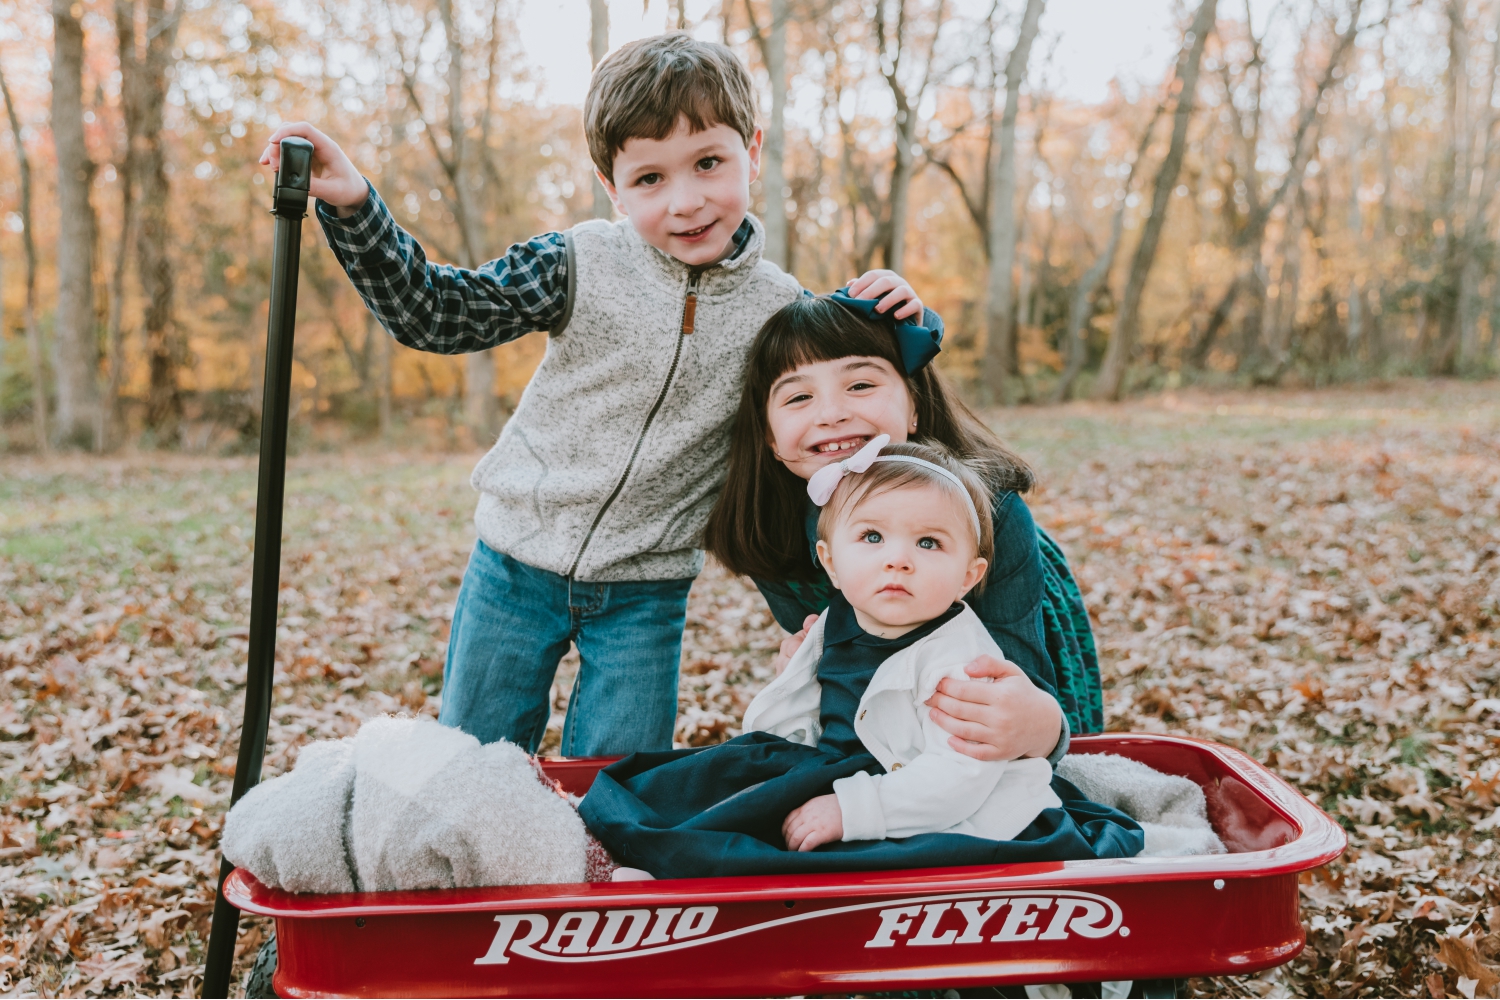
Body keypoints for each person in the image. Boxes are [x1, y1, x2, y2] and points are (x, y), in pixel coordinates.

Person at [257, 34, 944, 756]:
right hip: (515, 565)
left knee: (617, 779)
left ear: (753, 151)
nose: (686, 201)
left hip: (645, 594)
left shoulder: (781, 309)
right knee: (466, 762)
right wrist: (356, 206)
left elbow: (850, 412)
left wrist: (909, 320)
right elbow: (436, 313)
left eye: (709, 162)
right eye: (649, 179)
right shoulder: (575, 262)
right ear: (611, 185)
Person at [580, 440, 1141, 878]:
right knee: (692, 790)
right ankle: (631, 849)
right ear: (830, 560)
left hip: (924, 799)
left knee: (795, 854)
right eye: (872, 537)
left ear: (970, 576)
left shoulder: (961, 661)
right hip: (838, 764)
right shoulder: (837, 617)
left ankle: (694, 879)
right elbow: (798, 709)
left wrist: (854, 811)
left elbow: (959, 778)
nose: (897, 560)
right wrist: (781, 724)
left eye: (929, 544)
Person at [704, 294, 1107, 768]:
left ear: (913, 407)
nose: (831, 413)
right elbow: (845, 667)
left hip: (999, 611)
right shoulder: (771, 531)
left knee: (1018, 741)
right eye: (799, 396)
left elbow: (1012, 675)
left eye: (859, 385)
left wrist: (1038, 727)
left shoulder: (995, 511)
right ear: (771, 439)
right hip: (877, 692)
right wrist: (806, 669)